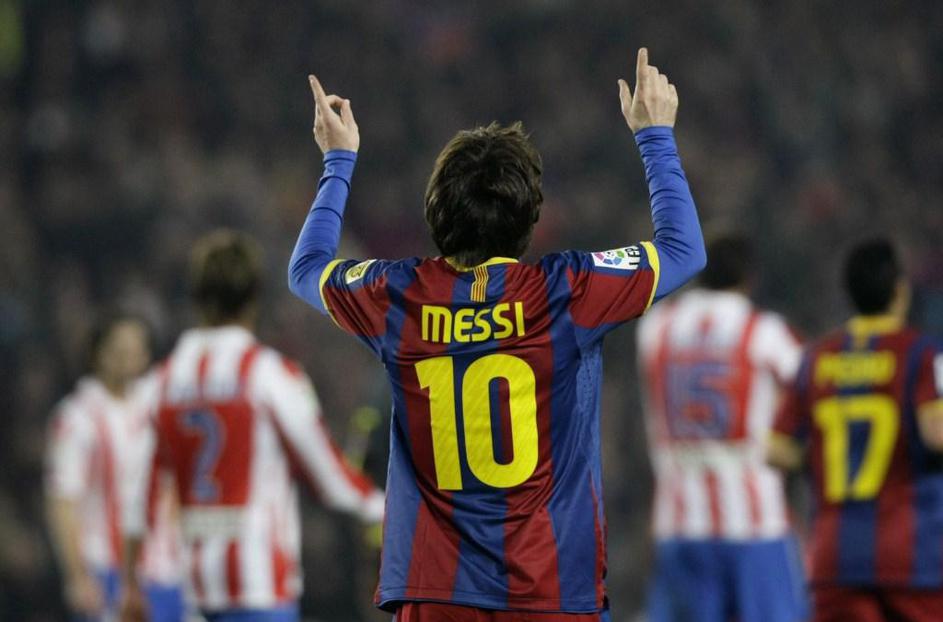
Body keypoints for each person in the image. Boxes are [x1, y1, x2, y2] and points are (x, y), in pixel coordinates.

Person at [288, 47, 706, 621]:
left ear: (436, 212)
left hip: (437, 597)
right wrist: (655, 136)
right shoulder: (566, 291)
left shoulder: (398, 295)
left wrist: (338, 161)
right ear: (530, 217)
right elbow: (684, 249)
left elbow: (306, 269)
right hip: (549, 594)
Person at [119, 231, 385, 622]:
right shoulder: (269, 376)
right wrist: (382, 507)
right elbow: (329, 477)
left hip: (194, 587)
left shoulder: (161, 383)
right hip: (259, 586)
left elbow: (138, 493)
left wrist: (129, 582)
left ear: (196, 297)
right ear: (254, 298)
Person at [768, 238, 943, 622]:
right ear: (900, 291)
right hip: (910, 557)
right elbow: (936, 434)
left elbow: (776, 449)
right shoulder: (919, 353)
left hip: (835, 558)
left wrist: (822, 454)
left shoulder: (817, 358)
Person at [636, 234, 807, 622]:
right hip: (753, 524)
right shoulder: (763, 332)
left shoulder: (656, 329)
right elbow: (811, 385)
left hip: (679, 521)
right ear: (750, 277)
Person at [45, 314, 185, 622]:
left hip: (167, 572)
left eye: (136, 349)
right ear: (97, 354)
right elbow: (62, 501)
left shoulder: (156, 401)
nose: (128, 357)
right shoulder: (78, 417)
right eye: (119, 349)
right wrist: (77, 575)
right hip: (107, 570)